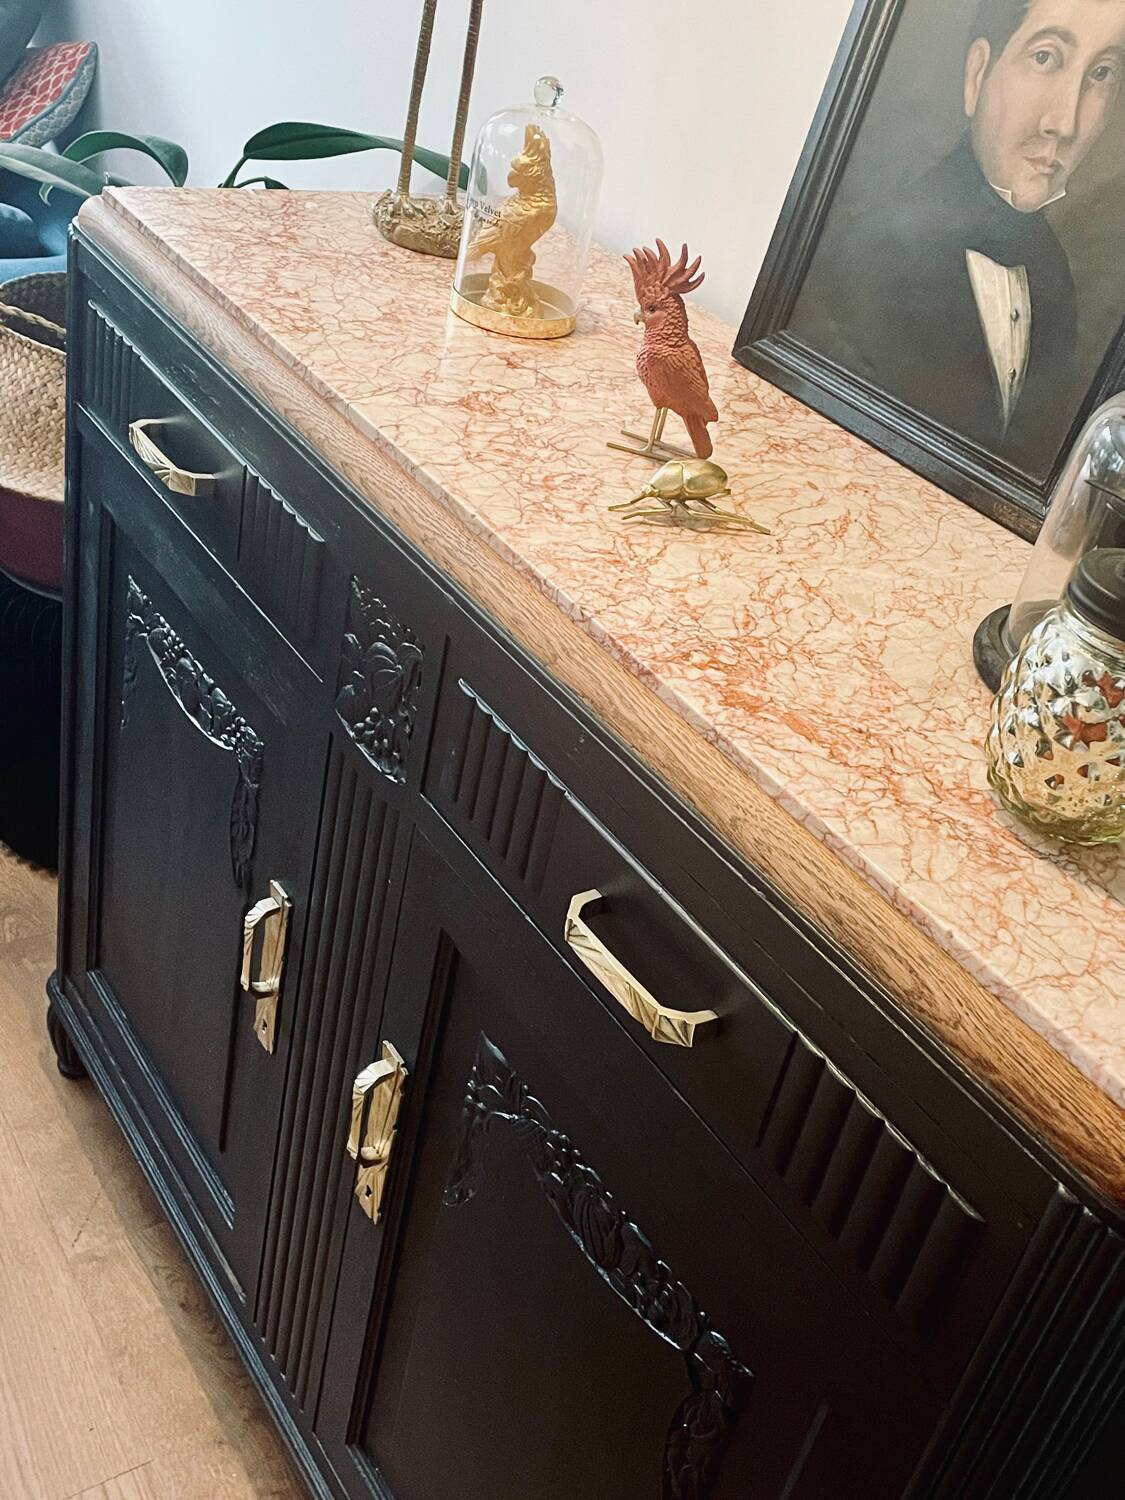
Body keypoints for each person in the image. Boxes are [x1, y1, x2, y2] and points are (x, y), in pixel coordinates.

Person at [796, 0, 1125, 474]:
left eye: (1101, 75)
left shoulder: (1052, 272)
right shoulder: (877, 251)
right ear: (978, 75)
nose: (1065, 124)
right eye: (1045, 57)